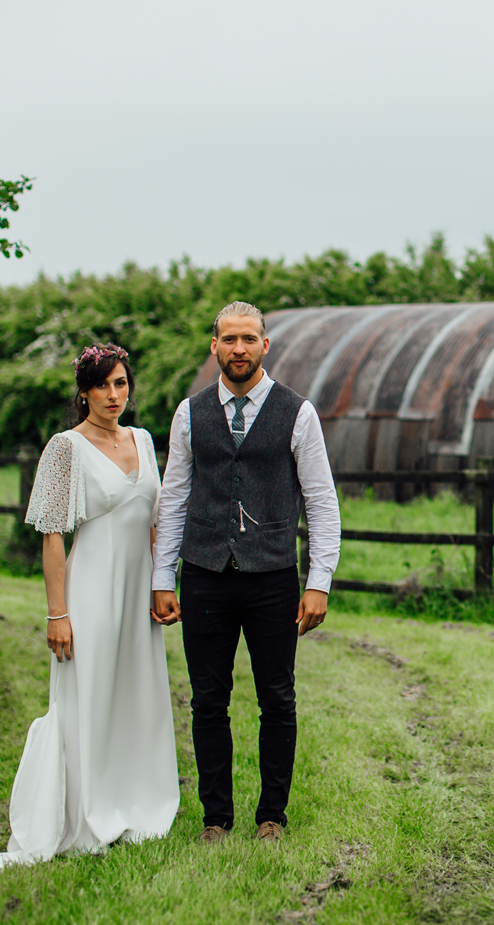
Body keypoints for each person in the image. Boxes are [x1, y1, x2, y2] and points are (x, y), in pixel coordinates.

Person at [150, 301, 340, 845]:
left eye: (248, 339)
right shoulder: (189, 414)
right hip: (205, 572)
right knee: (209, 700)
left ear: (265, 345)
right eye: (228, 339)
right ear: (214, 346)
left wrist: (317, 582)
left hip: (272, 576)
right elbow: (175, 497)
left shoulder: (298, 413)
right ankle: (216, 818)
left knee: (277, 697)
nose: (238, 349)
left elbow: (322, 504)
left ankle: (272, 816)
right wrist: (165, 577)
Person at [0, 344, 179, 871]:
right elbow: (52, 537)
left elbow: (157, 522)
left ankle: (139, 800)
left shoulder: (143, 440)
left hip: (138, 589)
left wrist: (163, 584)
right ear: (84, 392)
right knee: (86, 696)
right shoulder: (64, 448)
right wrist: (58, 614)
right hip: (89, 588)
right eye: (103, 386)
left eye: (121, 384)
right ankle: (86, 810)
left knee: (135, 694)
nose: (114, 395)